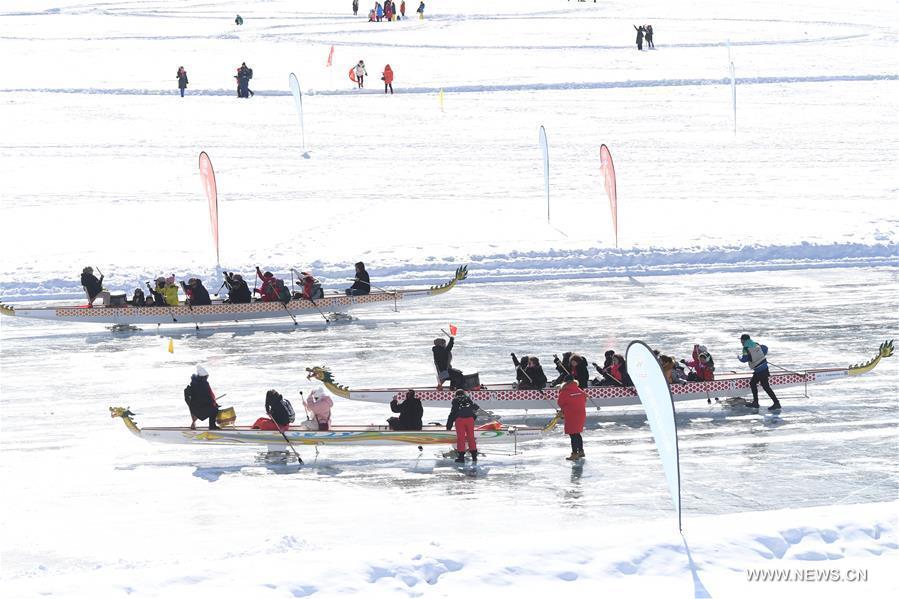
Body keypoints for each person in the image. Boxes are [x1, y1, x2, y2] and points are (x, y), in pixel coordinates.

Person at [739, 334, 781, 410]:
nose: (740, 342)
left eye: (741, 340)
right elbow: (765, 349)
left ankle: (774, 403)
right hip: (764, 368)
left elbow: (744, 359)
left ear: (744, 340)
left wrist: (739, 357)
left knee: (762, 386)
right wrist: (759, 356)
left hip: (759, 370)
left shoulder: (745, 348)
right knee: (756, 384)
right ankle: (758, 402)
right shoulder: (756, 344)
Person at [557, 375, 586, 460]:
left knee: (573, 434)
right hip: (581, 413)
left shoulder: (564, 391)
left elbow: (560, 403)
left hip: (571, 414)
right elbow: (584, 399)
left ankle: (574, 453)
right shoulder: (579, 390)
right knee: (577, 433)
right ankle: (581, 451)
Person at [446, 389, 479, 463]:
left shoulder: (455, 400)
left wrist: (449, 426)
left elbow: (452, 413)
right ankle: (474, 456)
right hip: (470, 419)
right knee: (471, 437)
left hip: (460, 420)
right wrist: (473, 418)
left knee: (461, 438)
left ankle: (461, 457)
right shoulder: (468, 399)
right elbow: (475, 408)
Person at [184, 365, 219, 430]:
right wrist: (213, 403)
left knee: (213, 409)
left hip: (196, 406)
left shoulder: (196, 383)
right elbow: (206, 397)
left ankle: (211, 426)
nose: (207, 378)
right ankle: (212, 427)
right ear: (203, 377)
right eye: (206, 377)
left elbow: (205, 397)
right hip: (199, 407)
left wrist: (213, 403)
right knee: (215, 410)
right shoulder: (202, 384)